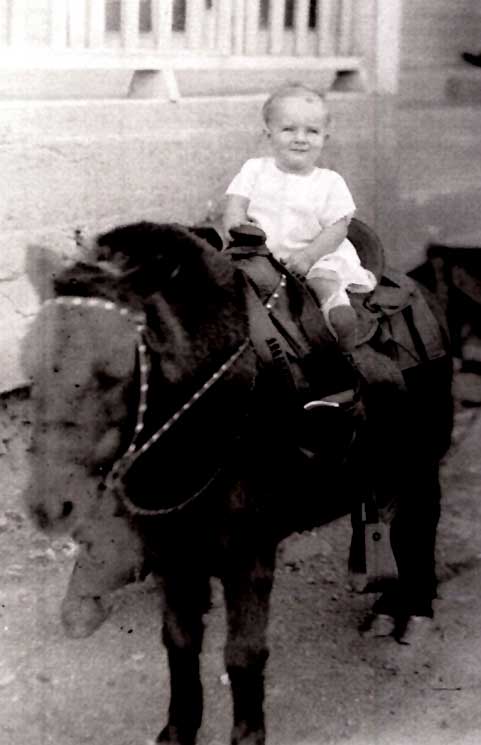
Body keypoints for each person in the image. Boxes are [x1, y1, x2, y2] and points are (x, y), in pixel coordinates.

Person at [222, 82, 377, 353]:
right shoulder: (254, 170)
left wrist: (308, 256)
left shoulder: (329, 182)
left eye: (312, 131)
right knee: (232, 284)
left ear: (325, 137)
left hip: (316, 253)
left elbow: (337, 228)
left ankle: (336, 313)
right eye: (288, 129)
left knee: (323, 278)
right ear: (268, 134)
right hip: (261, 254)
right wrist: (238, 229)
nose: (300, 138)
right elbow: (235, 205)